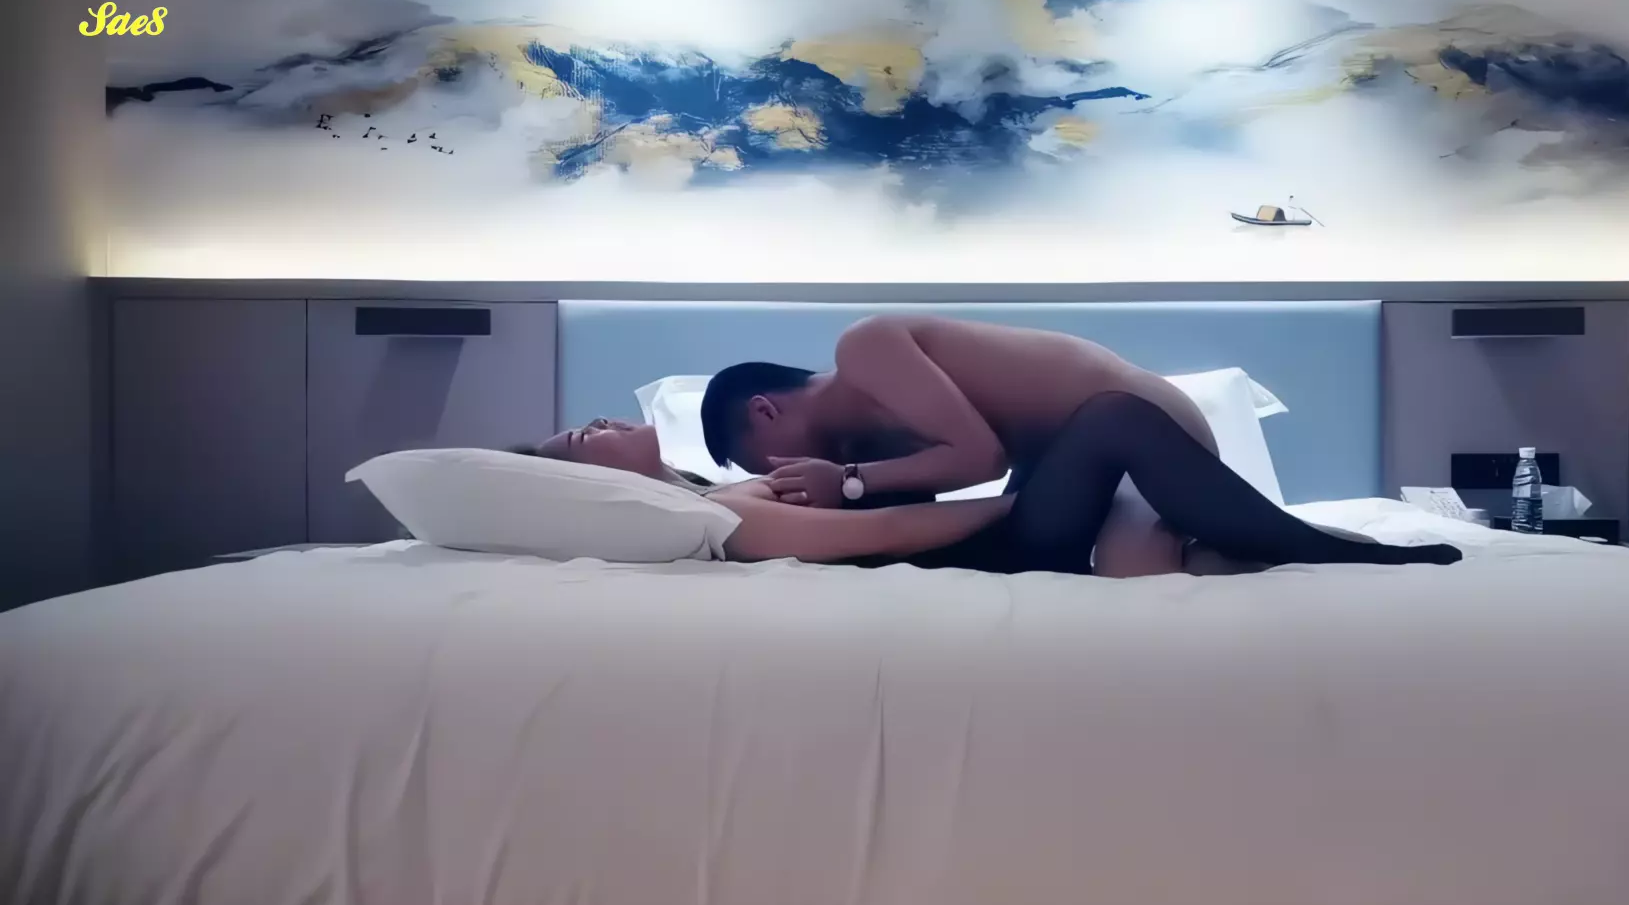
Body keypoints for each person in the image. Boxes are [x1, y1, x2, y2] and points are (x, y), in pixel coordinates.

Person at [523, 395, 1461, 574]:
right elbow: (883, 536)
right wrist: (1022, 497)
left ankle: (1227, 543)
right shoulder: (722, 510)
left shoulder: (704, 493)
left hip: (990, 539)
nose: (598, 423)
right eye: (581, 439)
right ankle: (1317, 549)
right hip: (990, 556)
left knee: (1078, 423)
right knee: (1114, 419)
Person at [696, 315, 1223, 576]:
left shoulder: (865, 349)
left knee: (1132, 573)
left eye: (765, 463)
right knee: (1042, 562)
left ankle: (1245, 556)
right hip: (1065, 462)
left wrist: (848, 481)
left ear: (765, 410)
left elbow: (980, 458)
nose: (781, 474)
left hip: (1146, 429)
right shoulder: (869, 443)